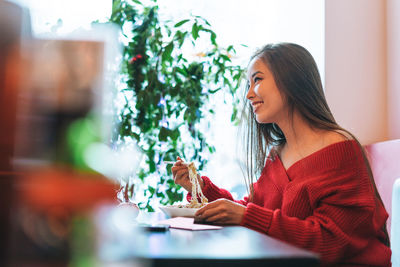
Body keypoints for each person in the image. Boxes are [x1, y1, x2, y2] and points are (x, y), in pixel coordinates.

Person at [171, 42, 391, 266]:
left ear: (291, 81)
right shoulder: (277, 155)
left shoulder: (340, 149)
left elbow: (331, 241)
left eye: (257, 80)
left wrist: (245, 216)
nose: (248, 94)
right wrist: (199, 187)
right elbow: (250, 211)